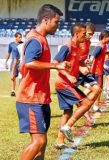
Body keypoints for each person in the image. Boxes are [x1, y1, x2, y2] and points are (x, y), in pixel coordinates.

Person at [16, 4, 68, 160]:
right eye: (56, 22)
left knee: (42, 143)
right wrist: (55, 65)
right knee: (39, 141)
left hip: (41, 98)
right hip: (31, 99)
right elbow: (29, 63)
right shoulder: (36, 40)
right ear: (46, 19)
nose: (58, 26)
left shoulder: (41, 39)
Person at [53, 23, 93, 146]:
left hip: (66, 84)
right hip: (64, 84)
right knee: (86, 103)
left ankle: (59, 141)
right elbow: (55, 63)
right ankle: (68, 127)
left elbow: (75, 61)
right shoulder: (67, 46)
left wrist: (83, 62)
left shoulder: (76, 46)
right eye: (84, 33)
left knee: (67, 112)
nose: (85, 35)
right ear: (77, 34)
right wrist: (69, 75)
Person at [76, 22, 101, 124]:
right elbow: (70, 59)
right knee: (75, 97)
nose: (90, 36)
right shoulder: (76, 42)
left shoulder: (88, 43)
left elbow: (81, 58)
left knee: (97, 89)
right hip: (74, 72)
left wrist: (85, 62)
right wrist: (79, 67)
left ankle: (85, 108)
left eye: (92, 34)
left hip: (83, 71)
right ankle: (86, 113)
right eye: (89, 34)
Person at [89, 30, 109, 112]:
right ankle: (95, 106)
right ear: (105, 37)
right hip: (96, 70)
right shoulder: (100, 45)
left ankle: (85, 102)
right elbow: (93, 54)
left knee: (94, 88)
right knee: (98, 89)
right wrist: (90, 61)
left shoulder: (103, 45)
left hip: (98, 69)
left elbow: (103, 54)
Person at [5, 32, 22, 96]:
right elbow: (9, 54)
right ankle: (13, 91)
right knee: (13, 77)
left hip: (20, 63)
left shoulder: (23, 44)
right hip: (13, 63)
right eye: (19, 37)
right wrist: (6, 62)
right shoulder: (11, 44)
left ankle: (21, 91)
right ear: (16, 37)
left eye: (21, 37)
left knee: (21, 78)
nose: (20, 38)